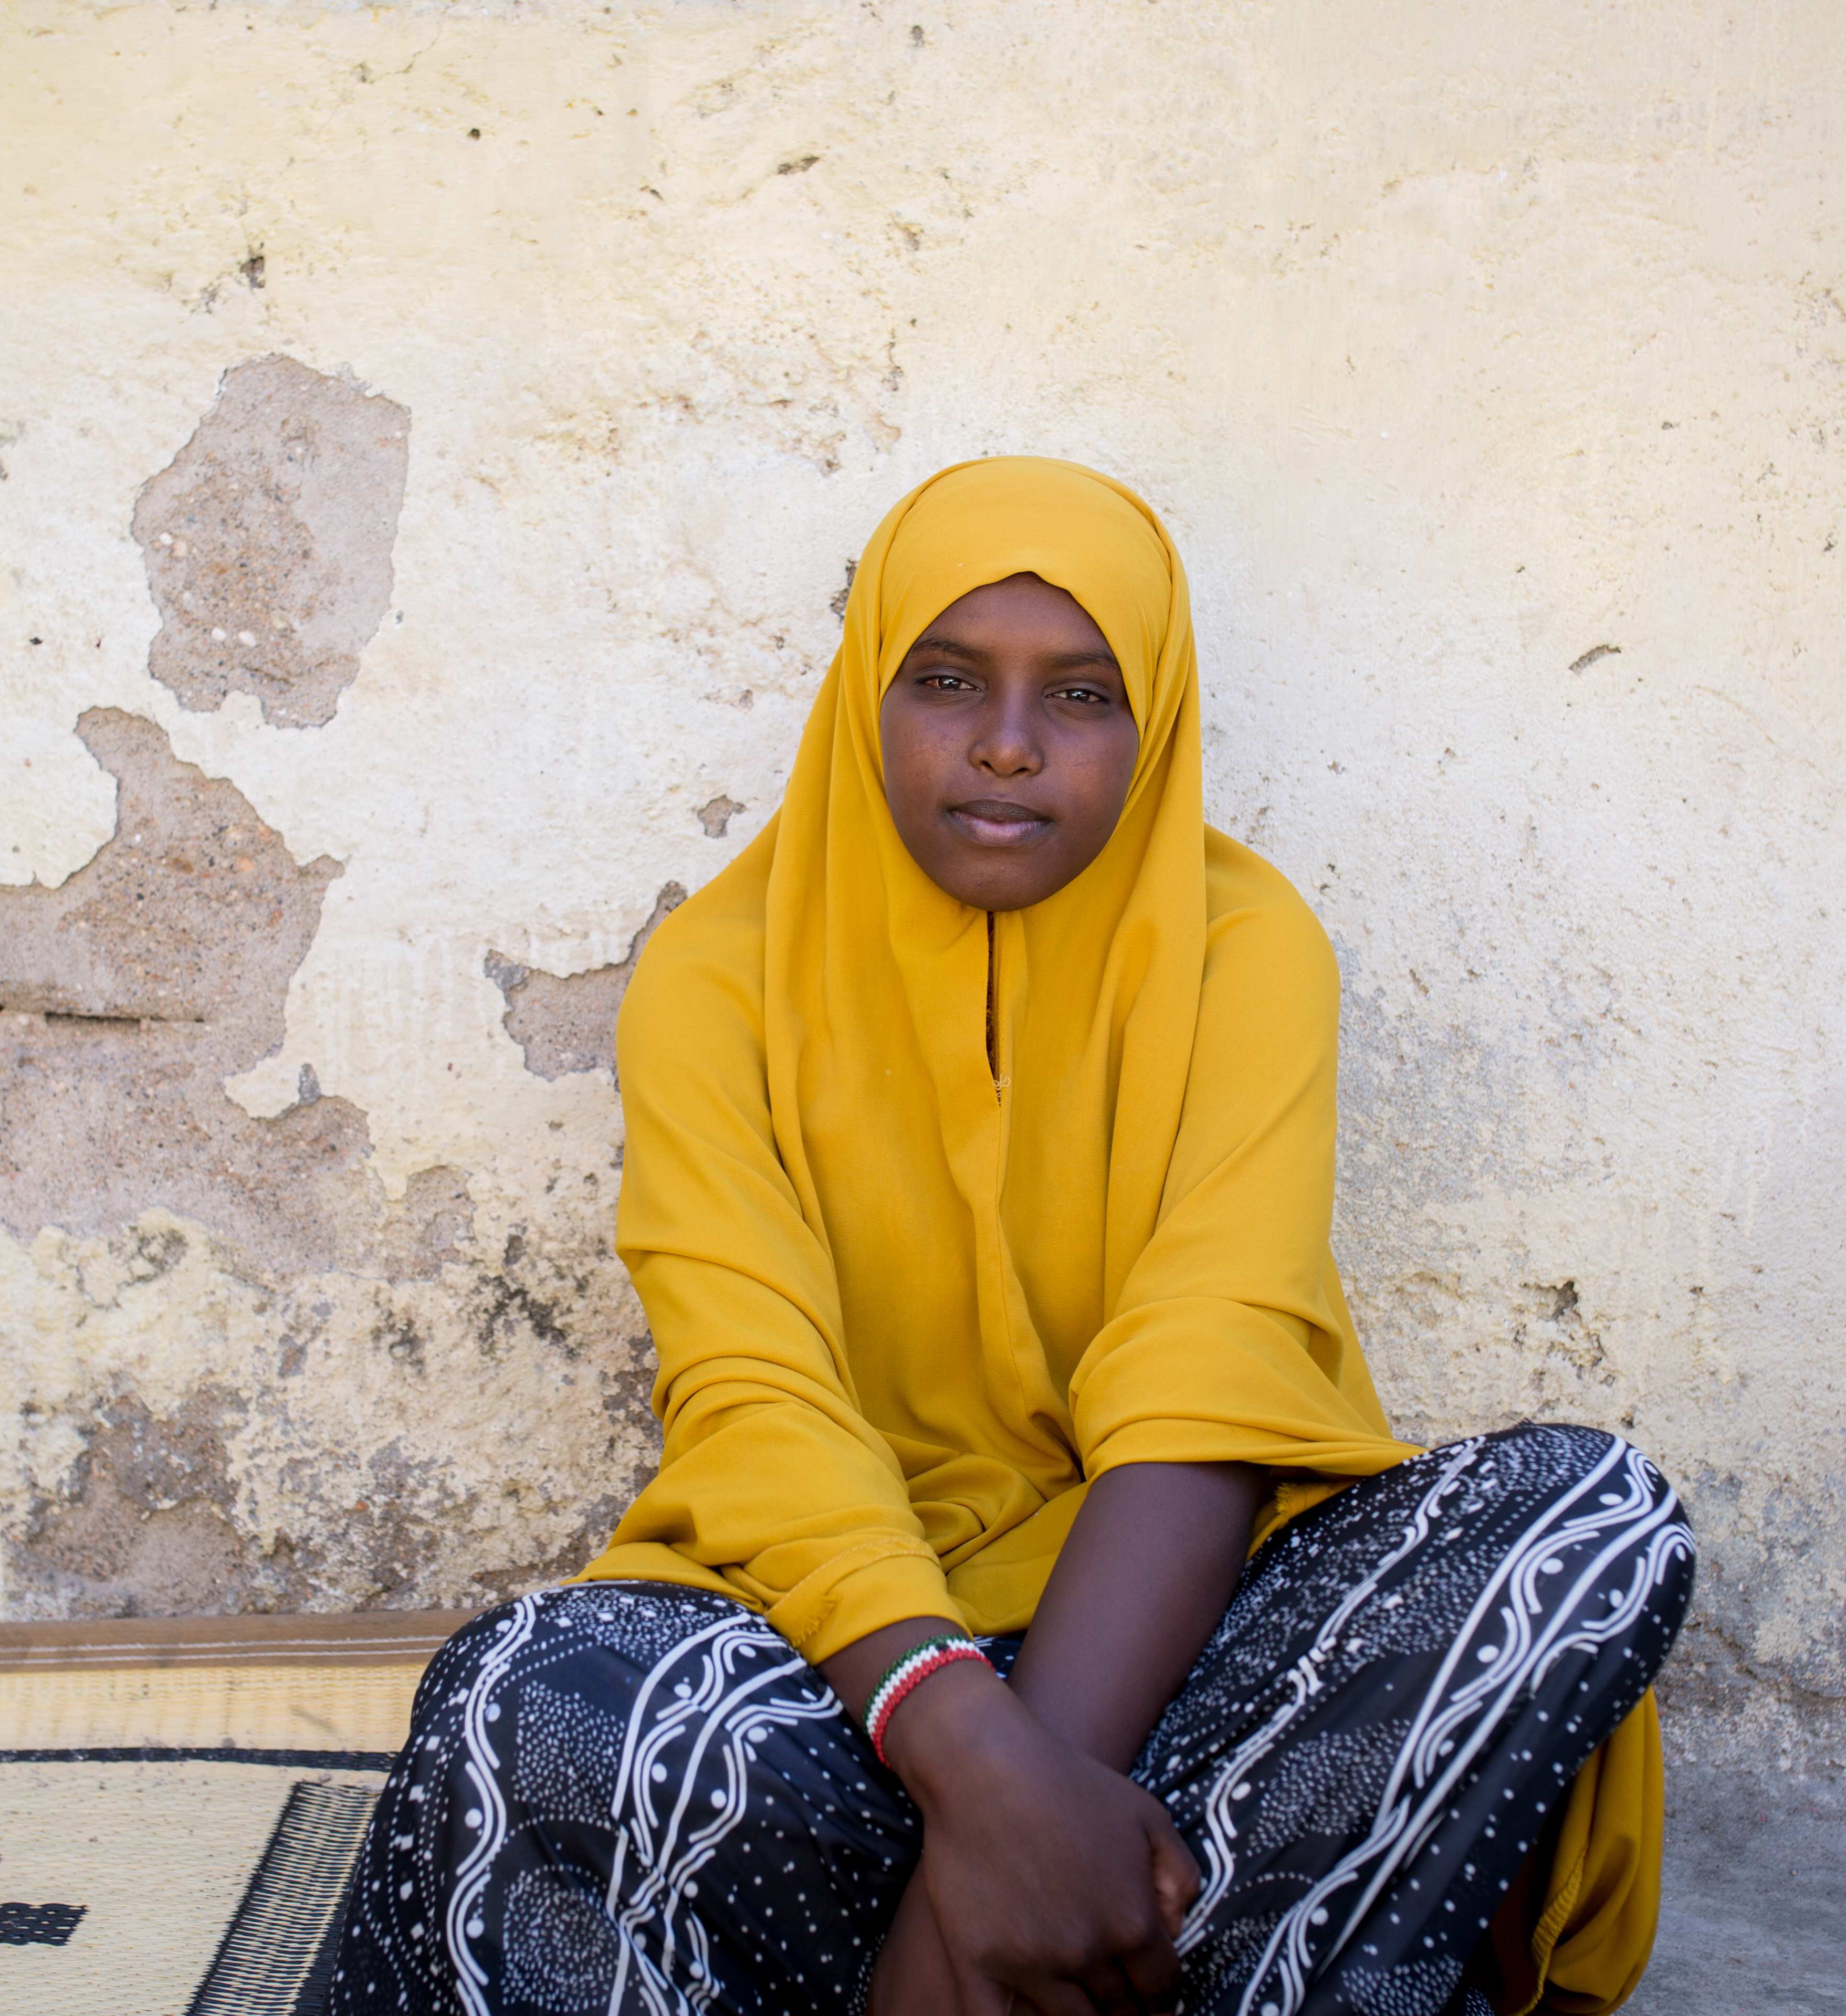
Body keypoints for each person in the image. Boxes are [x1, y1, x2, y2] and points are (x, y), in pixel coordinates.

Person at [328, 458, 1694, 2016]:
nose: (1008, 742)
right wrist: (982, 1778)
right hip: (852, 1671)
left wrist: (991, 1872)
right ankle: (1136, 1948)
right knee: (522, 1693)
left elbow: (1208, 1382)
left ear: (1154, 721)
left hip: (1182, 1652)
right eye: (948, 679)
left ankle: (981, 1945)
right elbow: (757, 1401)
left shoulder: (1247, 953)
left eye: (1084, 695)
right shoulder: (717, 979)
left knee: (1586, 1518)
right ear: (868, 695)